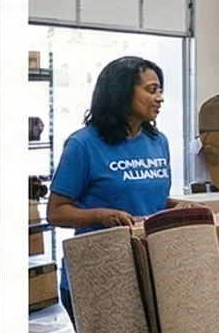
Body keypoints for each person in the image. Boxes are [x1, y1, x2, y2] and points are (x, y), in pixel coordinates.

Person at [48, 56, 173, 303]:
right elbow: (56, 212)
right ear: (122, 93)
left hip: (148, 272)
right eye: (151, 90)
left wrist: (178, 207)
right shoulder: (83, 145)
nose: (160, 98)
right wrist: (100, 216)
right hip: (96, 274)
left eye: (160, 90)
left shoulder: (159, 142)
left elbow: (149, 199)